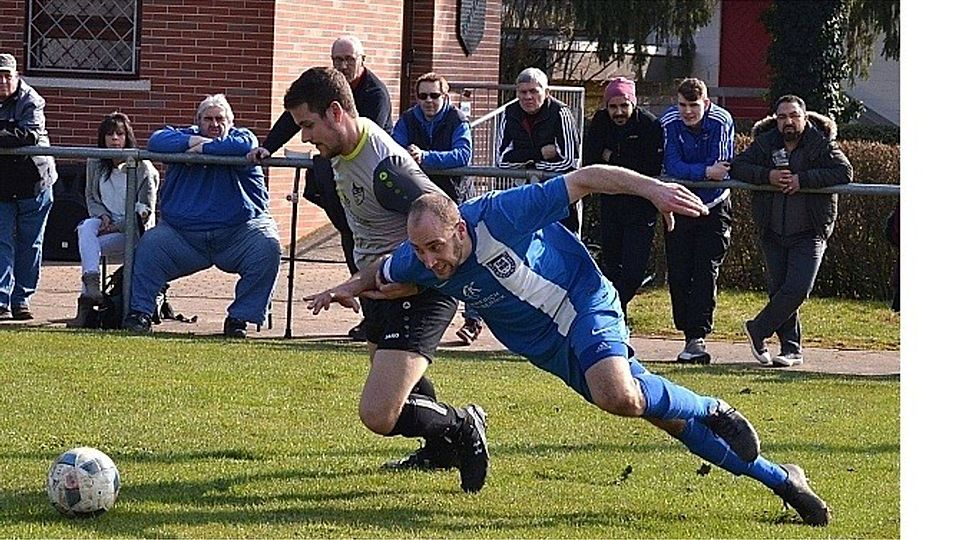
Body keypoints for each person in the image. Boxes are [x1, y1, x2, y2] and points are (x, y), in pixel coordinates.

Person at [312, 164, 831, 527]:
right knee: (653, 412)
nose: (428, 260)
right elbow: (381, 272)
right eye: (420, 251)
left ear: (460, 227)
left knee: (617, 394)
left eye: (436, 248)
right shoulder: (419, 259)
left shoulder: (502, 214)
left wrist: (653, 189)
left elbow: (584, 179)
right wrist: (345, 288)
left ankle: (714, 406)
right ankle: (783, 480)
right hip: (552, 351)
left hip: (584, 304)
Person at [284, 67, 488, 492]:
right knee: (397, 382)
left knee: (380, 413)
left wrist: (417, 281)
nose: (304, 138)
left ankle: (464, 425)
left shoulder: (385, 165)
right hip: (383, 284)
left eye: (308, 125)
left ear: (336, 112)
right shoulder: (343, 150)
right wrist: (361, 278)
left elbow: (447, 216)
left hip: (415, 288)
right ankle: (438, 448)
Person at [248, 35, 392, 342]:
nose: (342, 65)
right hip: (341, 184)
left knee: (374, 252)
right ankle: (371, 320)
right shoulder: (324, 90)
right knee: (352, 244)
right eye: (336, 60)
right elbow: (293, 117)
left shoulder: (375, 93)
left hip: (370, 182)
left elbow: (361, 141)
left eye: (348, 60)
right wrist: (268, 147)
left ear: (362, 60)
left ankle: (382, 321)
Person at [122, 94, 281, 338]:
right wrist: (192, 142)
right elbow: (156, 142)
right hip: (183, 237)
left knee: (267, 245)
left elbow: (244, 147)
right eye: (208, 119)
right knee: (150, 245)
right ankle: (140, 313)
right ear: (198, 122)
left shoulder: (242, 137)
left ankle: (239, 319)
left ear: (231, 121)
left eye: (220, 119)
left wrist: (204, 148)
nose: (214, 125)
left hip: (239, 233)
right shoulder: (183, 137)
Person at [730, 95, 853, 367]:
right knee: (780, 291)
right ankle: (790, 349)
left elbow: (844, 172)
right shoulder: (765, 142)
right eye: (782, 116)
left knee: (797, 289)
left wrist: (803, 180)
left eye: (794, 115)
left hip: (811, 230)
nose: (788, 121)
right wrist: (768, 177)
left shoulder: (821, 143)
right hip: (772, 230)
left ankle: (758, 329)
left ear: (805, 117)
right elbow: (737, 166)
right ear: (775, 119)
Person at [392, 71, 483, 345]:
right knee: (424, 257)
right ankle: (422, 316)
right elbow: (394, 149)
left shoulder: (457, 119)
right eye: (423, 96)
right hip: (422, 202)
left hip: (456, 199)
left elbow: (462, 155)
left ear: (445, 96)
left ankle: (473, 320)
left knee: (467, 259)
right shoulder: (408, 119)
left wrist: (425, 158)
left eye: (435, 95)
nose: (428, 101)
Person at [658, 77, 735, 365]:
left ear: (706, 103)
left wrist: (700, 172)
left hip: (714, 204)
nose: (688, 111)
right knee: (678, 270)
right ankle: (685, 330)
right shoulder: (668, 122)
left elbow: (723, 165)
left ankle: (697, 337)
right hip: (678, 202)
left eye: (694, 105)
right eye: (682, 105)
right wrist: (703, 171)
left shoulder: (721, 120)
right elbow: (672, 165)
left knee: (706, 269)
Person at [583, 77, 663, 316]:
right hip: (610, 203)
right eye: (613, 107)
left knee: (633, 271)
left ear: (633, 104)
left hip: (641, 206)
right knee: (611, 265)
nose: (618, 112)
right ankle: (617, 318)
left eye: (624, 106)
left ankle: (612, 310)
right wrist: (624, 161)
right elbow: (591, 160)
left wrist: (613, 158)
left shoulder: (649, 125)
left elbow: (650, 168)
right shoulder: (599, 122)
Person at [70, 112, 158, 324]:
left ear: (127, 136)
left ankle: (88, 307)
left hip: (133, 231)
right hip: (105, 222)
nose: (114, 139)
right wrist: (102, 216)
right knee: (86, 230)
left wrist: (117, 225)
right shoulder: (95, 162)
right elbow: (91, 196)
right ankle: (91, 288)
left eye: (119, 134)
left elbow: (145, 210)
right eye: (109, 134)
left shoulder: (143, 167)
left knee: (88, 245)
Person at [0, 52, 57, 321]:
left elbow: (28, 135)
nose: (2, 81)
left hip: (35, 181)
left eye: (6, 76)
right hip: (2, 184)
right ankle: (1, 300)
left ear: (16, 76)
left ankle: (22, 299)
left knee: (30, 244)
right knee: (1, 243)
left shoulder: (31, 100)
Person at [495, 67, 581, 236]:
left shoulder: (561, 112)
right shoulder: (509, 113)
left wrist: (525, 163)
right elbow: (502, 160)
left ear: (546, 91)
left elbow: (570, 161)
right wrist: (540, 154)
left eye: (533, 91)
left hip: (558, 193)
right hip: (524, 193)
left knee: (563, 243)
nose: (528, 97)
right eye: (523, 92)